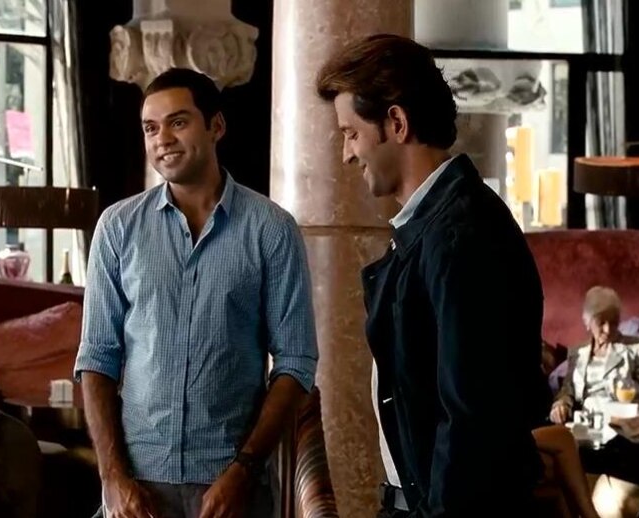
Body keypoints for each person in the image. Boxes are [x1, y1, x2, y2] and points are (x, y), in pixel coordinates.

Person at [316, 34, 550, 517]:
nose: (346, 154)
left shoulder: (462, 234)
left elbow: (472, 419)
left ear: (397, 123)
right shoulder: (434, 228)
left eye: (351, 133)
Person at [74, 67, 318, 518]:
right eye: (151, 128)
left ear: (216, 126)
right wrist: (112, 478)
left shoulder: (271, 229)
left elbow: (295, 362)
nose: (162, 139)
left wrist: (244, 470)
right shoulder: (117, 227)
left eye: (178, 122)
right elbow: (97, 358)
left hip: (231, 487)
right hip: (137, 487)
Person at [550, 286, 639, 424]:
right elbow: (567, 391)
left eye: (613, 323)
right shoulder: (577, 354)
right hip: (593, 424)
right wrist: (560, 405)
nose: (608, 330)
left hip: (630, 424)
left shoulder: (634, 350)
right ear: (588, 322)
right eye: (601, 322)